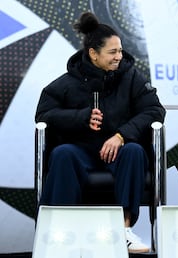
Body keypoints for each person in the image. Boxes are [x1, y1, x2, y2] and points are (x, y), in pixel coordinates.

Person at [35, 12, 165, 253]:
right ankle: (58, 233)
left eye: (120, 51)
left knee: (135, 151)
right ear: (93, 54)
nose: (119, 57)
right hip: (81, 151)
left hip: (118, 151)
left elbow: (155, 111)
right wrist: (80, 117)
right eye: (112, 52)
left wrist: (121, 135)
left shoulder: (132, 77)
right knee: (62, 154)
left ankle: (124, 230)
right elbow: (43, 116)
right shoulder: (66, 83)